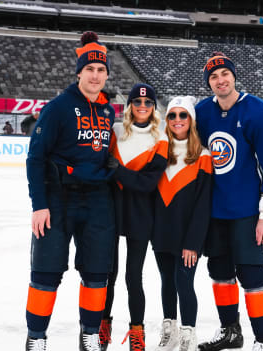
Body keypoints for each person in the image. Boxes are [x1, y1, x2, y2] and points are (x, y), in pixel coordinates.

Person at [24, 31, 116, 351]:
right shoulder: (58, 108)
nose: (95, 75)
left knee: (96, 271)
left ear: (106, 74)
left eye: (100, 70)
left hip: (97, 200)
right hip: (58, 198)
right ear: (79, 72)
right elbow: (35, 158)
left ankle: (89, 332)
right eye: (89, 69)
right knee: (46, 271)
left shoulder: (108, 112)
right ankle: (36, 336)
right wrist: (39, 204)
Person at [195, 52, 263, 351]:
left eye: (224, 74)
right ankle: (230, 332)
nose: (220, 80)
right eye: (213, 76)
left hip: (248, 213)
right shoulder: (202, 112)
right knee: (220, 273)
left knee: (252, 274)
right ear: (209, 82)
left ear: (234, 76)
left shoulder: (257, 112)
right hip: (214, 212)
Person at [101, 83, 168, 351]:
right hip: (112, 211)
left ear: (153, 107)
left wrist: (117, 171)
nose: (142, 107)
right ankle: (103, 325)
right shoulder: (116, 131)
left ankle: (137, 331)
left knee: (133, 277)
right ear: (130, 106)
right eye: (137, 103)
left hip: (142, 215)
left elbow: (147, 184)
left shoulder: (161, 138)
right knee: (109, 274)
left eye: (148, 103)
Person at [151, 96, 212, 351]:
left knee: (184, 283)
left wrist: (193, 243)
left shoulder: (203, 156)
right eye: (172, 115)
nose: (177, 120)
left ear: (191, 120)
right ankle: (170, 332)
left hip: (188, 237)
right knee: (167, 281)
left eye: (183, 115)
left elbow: (203, 205)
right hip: (161, 233)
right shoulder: (158, 151)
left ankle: (188, 334)